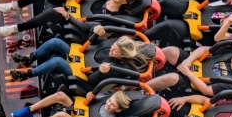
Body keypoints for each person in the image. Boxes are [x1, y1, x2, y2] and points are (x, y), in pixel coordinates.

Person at [0, 0, 143, 37]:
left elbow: (87, 27)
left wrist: (68, 16)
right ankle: (17, 6)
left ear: (125, 1)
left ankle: (17, 29)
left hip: (75, 24)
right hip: (74, 6)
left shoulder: (114, 18)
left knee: (53, 13)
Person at [8, 35, 156, 82]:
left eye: (115, 50)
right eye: (113, 46)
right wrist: (96, 32)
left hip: (82, 75)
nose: (111, 48)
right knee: (55, 42)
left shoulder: (118, 68)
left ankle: (26, 75)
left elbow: (92, 80)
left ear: (122, 55)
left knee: (57, 62)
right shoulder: (115, 42)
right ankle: (29, 58)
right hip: (83, 56)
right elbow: (95, 39)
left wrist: (101, 72)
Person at [145, 45, 232, 96]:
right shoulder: (228, 53)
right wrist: (189, 60)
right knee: (171, 51)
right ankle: (141, 58)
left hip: (193, 81)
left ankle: (141, 87)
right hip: (193, 63)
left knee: (171, 78)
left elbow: (207, 91)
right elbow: (204, 49)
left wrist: (189, 74)